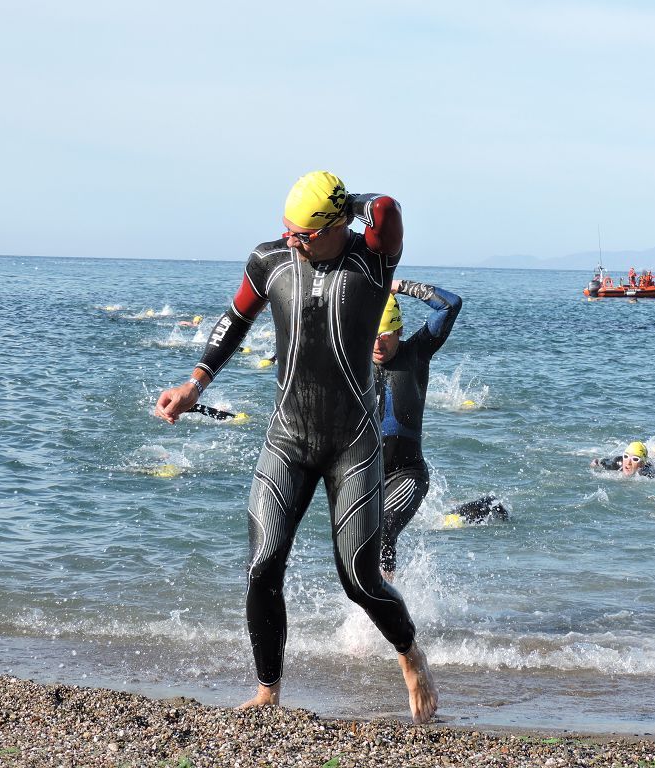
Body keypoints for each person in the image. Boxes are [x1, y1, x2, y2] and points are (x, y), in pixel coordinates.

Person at [153, 171, 437, 724]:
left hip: (351, 444)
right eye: (288, 230)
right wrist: (195, 384)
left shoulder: (372, 261)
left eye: (305, 233)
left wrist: (350, 201)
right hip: (288, 437)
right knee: (262, 566)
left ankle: (409, 654)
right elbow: (235, 319)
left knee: (359, 580)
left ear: (337, 224)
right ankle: (268, 691)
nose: (293, 242)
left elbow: (387, 207)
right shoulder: (272, 262)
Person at [372, 278, 462, 580]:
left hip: (406, 474)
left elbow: (450, 304)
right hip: (362, 479)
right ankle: (372, 608)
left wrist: (398, 285)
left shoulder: (416, 354)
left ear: (398, 330)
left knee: (383, 530)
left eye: (385, 334)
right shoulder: (351, 360)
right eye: (371, 335)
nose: (378, 343)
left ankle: (381, 613)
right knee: (355, 547)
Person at [590, 441, 655, 478]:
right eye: (626, 456)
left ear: (642, 464)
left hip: (648, 461)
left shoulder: (648, 473)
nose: (628, 462)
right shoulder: (617, 462)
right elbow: (598, 461)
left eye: (635, 459)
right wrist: (595, 463)